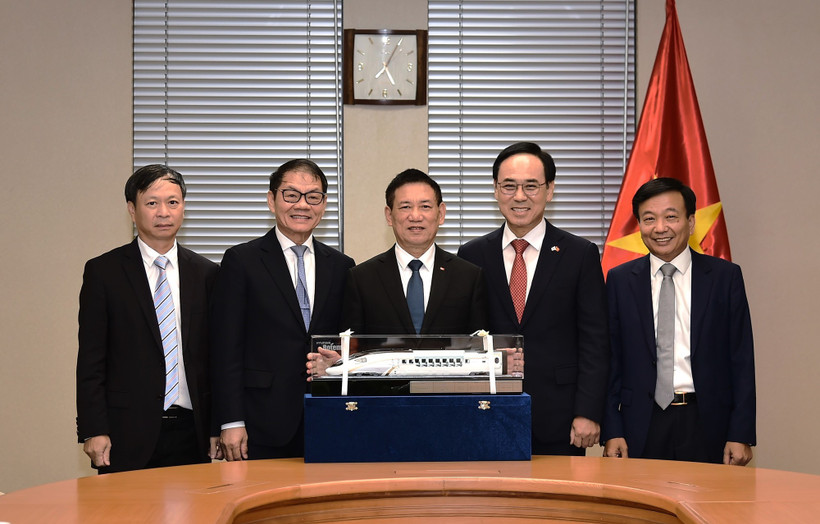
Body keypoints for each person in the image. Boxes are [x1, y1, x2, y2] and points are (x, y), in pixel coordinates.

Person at [457, 142, 609, 455]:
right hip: (488, 412)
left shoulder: (579, 254)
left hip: (561, 417)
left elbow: (595, 340)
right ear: (496, 190)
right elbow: (465, 338)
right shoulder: (472, 255)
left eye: (531, 186)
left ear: (549, 190)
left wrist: (588, 411)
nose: (519, 196)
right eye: (509, 186)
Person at [76, 164, 220, 473]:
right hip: (124, 432)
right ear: (132, 209)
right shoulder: (104, 272)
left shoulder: (208, 273)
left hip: (191, 430)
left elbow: (215, 359)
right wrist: (93, 428)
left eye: (173, 202)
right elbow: (91, 359)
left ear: (183, 208)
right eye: (152, 203)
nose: (163, 212)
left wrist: (216, 426)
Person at [602, 177, 755, 465]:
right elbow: (610, 359)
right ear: (639, 225)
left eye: (671, 217)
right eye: (649, 219)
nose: (660, 228)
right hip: (640, 424)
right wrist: (612, 429)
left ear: (691, 222)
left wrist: (741, 432)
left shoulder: (724, 277)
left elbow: (741, 359)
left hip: (707, 421)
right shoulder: (620, 280)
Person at [211, 159, 355, 461]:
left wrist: (339, 363)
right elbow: (225, 348)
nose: (302, 205)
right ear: (271, 199)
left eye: (313, 196)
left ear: (323, 204)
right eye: (291, 195)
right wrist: (231, 421)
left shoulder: (342, 266)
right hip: (260, 420)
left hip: (326, 416)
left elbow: (349, 342)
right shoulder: (242, 261)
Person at [306, 169, 488, 375]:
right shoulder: (362, 278)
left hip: (449, 392)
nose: (415, 216)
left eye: (425, 206)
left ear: (441, 213)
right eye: (405, 207)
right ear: (389, 215)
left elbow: (480, 352)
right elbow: (352, 351)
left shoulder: (469, 276)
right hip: (382, 392)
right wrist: (339, 364)